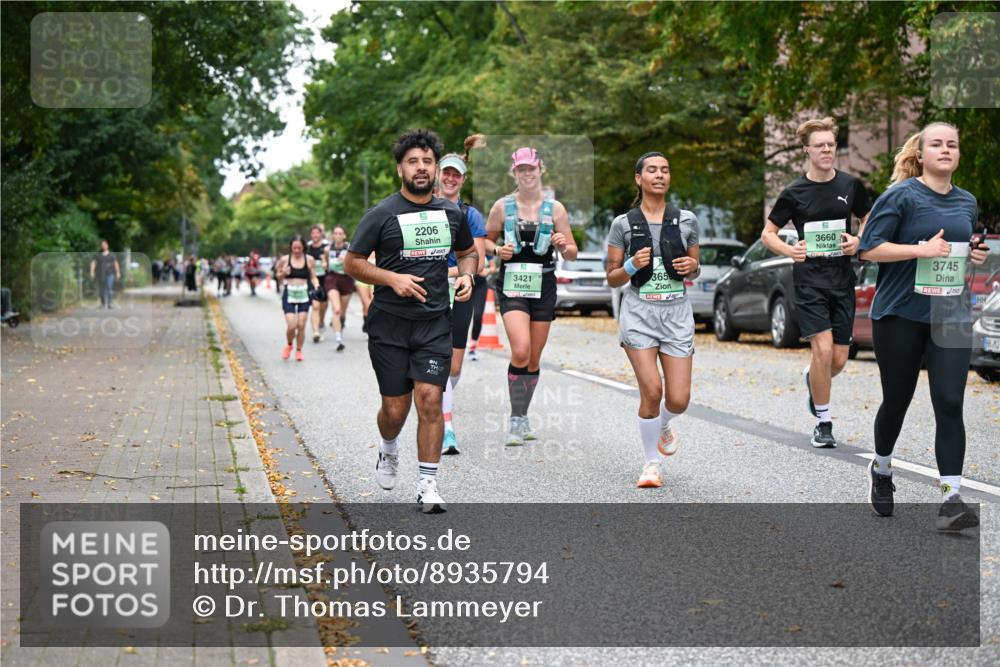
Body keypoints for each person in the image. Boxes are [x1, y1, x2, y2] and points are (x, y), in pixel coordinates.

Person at [859, 121, 989, 531]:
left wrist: (974, 254)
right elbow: (868, 249)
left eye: (952, 144)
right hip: (900, 314)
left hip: (950, 315)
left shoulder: (967, 202)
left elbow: (959, 247)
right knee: (897, 399)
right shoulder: (900, 196)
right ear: (922, 152)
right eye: (937, 144)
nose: (946, 150)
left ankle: (951, 498)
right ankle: (881, 468)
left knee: (950, 403)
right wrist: (921, 249)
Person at [344, 128, 478, 514]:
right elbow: (352, 263)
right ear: (400, 168)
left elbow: (468, 253)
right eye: (413, 162)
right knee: (395, 411)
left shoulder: (452, 213)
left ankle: (428, 483)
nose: (421, 168)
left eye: (427, 162)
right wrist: (392, 278)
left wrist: (467, 275)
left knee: (430, 399)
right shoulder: (382, 214)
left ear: (436, 169)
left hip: (434, 321)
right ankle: (388, 450)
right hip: (389, 325)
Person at [762, 117, 872, 448]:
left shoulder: (850, 186)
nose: (826, 150)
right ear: (807, 149)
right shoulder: (794, 192)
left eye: (830, 145)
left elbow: (868, 219)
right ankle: (823, 422)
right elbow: (768, 234)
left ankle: (814, 379)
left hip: (842, 280)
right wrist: (789, 249)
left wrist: (858, 241)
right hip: (809, 281)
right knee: (822, 350)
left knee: (838, 359)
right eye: (819, 145)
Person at [605, 152, 701, 488]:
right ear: (639, 178)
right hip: (639, 313)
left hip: (676, 313)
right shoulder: (623, 224)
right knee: (651, 389)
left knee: (678, 399)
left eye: (665, 170)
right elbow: (613, 277)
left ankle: (663, 423)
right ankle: (651, 464)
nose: (659, 175)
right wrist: (631, 265)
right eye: (652, 170)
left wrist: (693, 268)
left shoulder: (686, 220)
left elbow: (695, 264)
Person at [484, 145, 578, 445]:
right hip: (512, 283)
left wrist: (563, 245)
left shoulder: (556, 209)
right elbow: (483, 242)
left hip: (544, 284)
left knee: (534, 359)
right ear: (514, 172)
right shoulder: (502, 207)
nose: (526, 174)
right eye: (521, 169)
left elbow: (573, 253)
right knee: (521, 350)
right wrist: (498, 250)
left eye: (531, 168)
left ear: (540, 170)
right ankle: (515, 419)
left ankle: (522, 415)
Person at [437, 146, 487, 454]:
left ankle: (439, 397)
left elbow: (478, 262)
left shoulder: (471, 215)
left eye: (457, 174)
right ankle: (446, 427)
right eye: (447, 173)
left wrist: (447, 272)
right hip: (428, 295)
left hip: (461, 291)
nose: (451, 178)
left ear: (463, 179)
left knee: (454, 367)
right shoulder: (422, 209)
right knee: (438, 362)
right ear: (437, 175)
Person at [275, 235, 321, 362]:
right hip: (289, 293)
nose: (296, 250)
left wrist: (316, 284)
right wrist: (283, 273)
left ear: (303, 248)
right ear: (290, 247)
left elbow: (313, 276)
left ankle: (299, 350)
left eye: (299, 248)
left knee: (301, 325)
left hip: (303, 294)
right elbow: (277, 276)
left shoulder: (309, 259)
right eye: (294, 248)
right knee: (291, 325)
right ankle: (289, 345)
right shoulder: (285, 259)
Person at [325, 225, 355, 351]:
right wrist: (324, 263)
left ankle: (340, 321)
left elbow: (355, 264)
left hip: (347, 280)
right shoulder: (327, 249)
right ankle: (338, 339)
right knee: (336, 309)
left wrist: (347, 261)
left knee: (342, 312)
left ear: (344, 236)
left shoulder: (350, 248)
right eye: (335, 233)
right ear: (332, 235)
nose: (337, 235)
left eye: (340, 233)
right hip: (332, 279)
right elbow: (325, 264)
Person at [306, 225, 330, 342]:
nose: (315, 235)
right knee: (315, 304)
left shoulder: (326, 247)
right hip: (312, 279)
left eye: (317, 233)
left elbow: (332, 262)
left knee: (323, 304)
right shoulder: (308, 247)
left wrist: (325, 262)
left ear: (321, 234)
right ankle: (315, 331)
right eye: (313, 233)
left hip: (325, 278)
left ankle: (321, 321)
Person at [89, 240, 121, 309]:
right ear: (101, 246)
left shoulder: (112, 255)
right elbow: (93, 263)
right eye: (102, 245)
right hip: (100, 274)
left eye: (104, 245)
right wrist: (92, 271)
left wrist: (118, 272)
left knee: (109, 287)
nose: (103, 246)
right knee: (101, 290)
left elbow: (116, 263)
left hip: (110, 274)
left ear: (107, 245)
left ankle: (110, 303)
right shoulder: (97, 255)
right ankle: (102, 303)